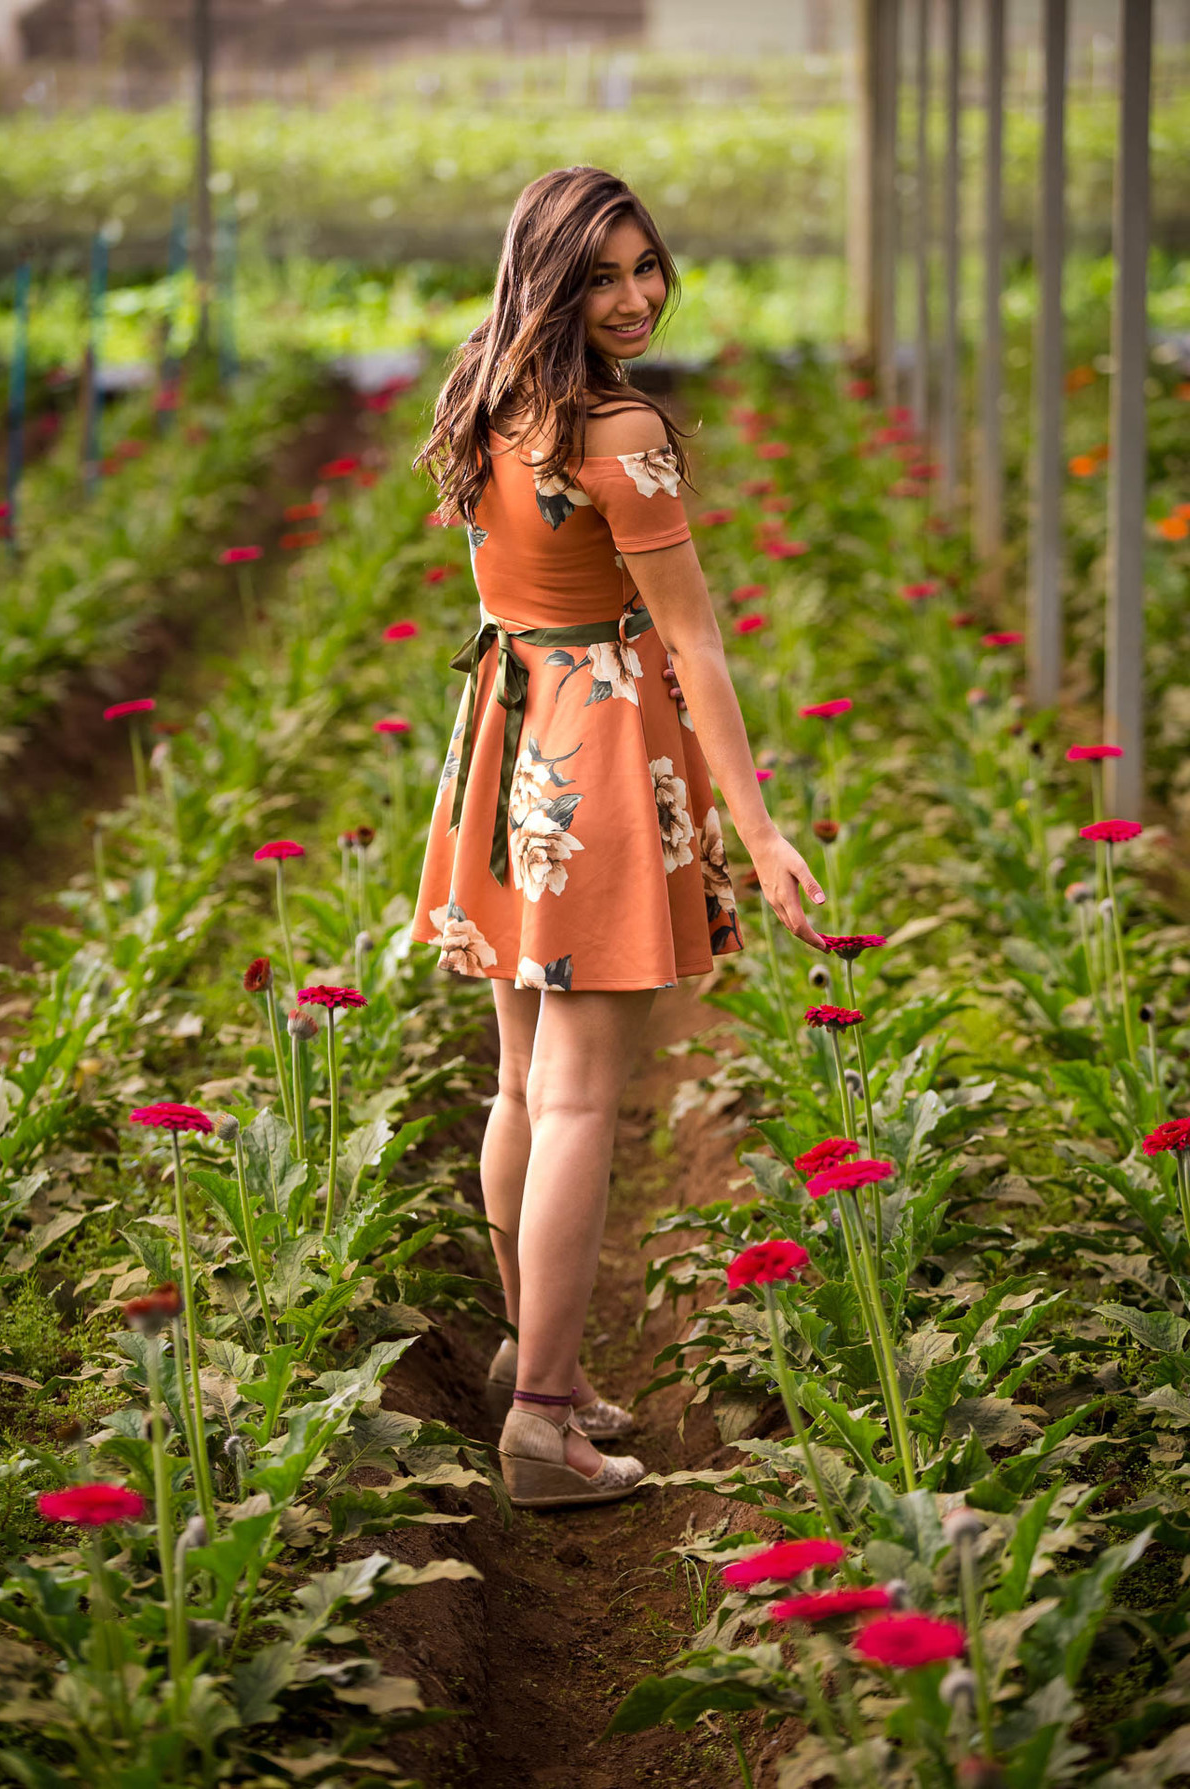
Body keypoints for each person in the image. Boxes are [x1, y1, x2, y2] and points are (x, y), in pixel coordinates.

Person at [410, 166, 828, 1509]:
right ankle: (543, 1418)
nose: (637, 296)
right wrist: (759, 832)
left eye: (647, 266)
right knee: (581, 1097)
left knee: (524, 1086)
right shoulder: (618, 428)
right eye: (602, 275)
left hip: (511, 739)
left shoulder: (489, 392)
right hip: (595, 742)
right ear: (552, 282)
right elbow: (696, 643)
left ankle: (534, 1359)